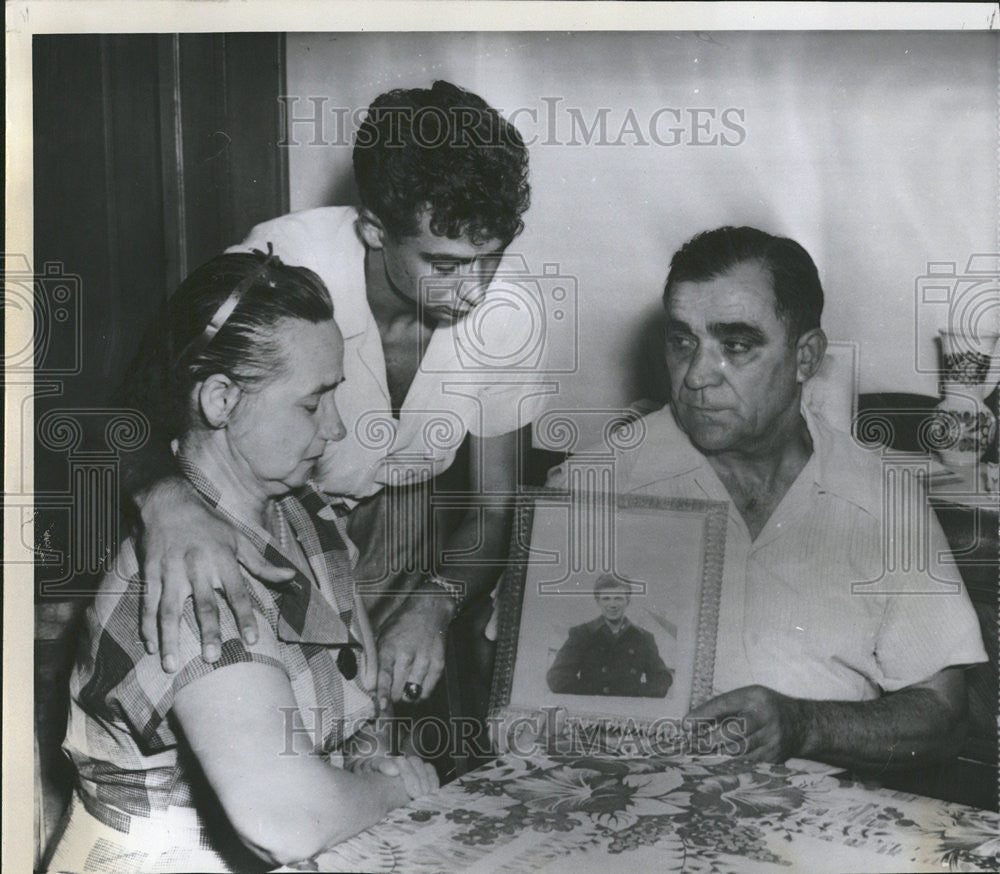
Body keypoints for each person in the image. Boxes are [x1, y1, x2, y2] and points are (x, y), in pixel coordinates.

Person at [124, 80, 541, 709]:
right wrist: (167, 501)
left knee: (384, 716)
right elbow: (139, 413)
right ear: (374, 228)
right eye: (447, 264)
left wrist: (435, 603)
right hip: (264, 512)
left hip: (404, 522)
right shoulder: (281, 267)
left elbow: (495, 505)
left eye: (492, 258)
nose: (477, 289)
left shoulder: (511, 310)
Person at [47, 252, 438, 873]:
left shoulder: (305, 513)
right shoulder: (187, 577)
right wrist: (398, 789)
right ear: (221, 399)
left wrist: (368, 763)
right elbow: (279, 820)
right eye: (311, 406)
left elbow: (352, 704)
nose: (335, 430)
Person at [548, 226, 987, 770]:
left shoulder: (883, 498)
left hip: (821, 830)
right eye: (682, 341)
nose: (697, 377)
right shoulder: (592, 487)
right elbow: (526, 697)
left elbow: (943, 715)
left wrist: (806, 726)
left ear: (806, 357)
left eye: (735, 346)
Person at [546, 574, 672, 697]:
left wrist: (631, 693)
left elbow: (662, 681)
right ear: (598, 601)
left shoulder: (643, 638)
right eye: (606, 598)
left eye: (618, 598)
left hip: (628, 710)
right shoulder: (581, 634)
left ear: (627, 601)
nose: (612, 605)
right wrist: (595, 692)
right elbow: (557, 679)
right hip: (591, 709)